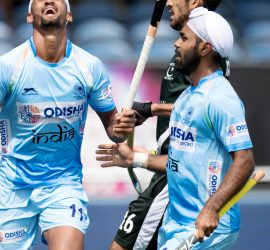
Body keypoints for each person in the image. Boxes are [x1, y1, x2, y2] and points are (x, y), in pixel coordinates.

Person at [0, 0, 136, 249]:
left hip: (63, 185)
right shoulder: (9, 65)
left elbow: (113, 129)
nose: (48, 1)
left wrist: (122, 129)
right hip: (14, 189)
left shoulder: (89, 67)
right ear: (29, 16)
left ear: (69, 15)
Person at [97, 7, 255, 250]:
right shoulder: (186, 97)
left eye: (184, 38)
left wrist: (211, 209)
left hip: (208, 229)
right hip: (176, 225)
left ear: (204, 48)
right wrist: (134, 158)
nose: (176, 44)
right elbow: (178, 161)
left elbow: (244, 161)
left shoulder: (222, 99)